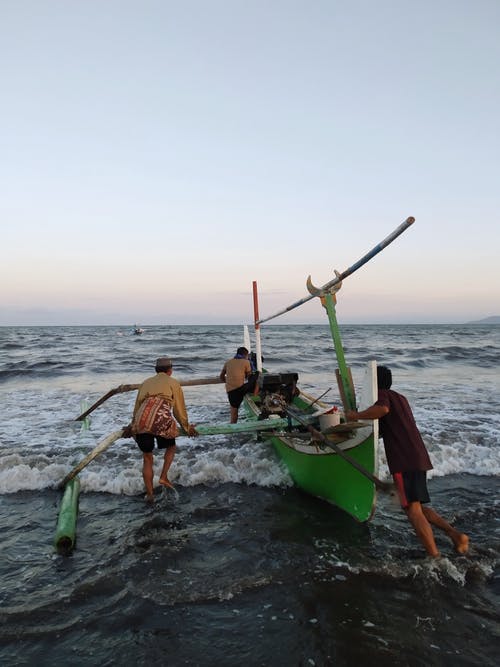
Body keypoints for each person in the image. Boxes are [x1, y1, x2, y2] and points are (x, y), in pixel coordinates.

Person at [346, 366, 469, 558]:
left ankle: (434, 557)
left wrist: (356, 416)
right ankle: (456, 535)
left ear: (374, 383)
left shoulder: (382, 395)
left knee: (412, 511)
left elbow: (382, 409)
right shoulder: (400, 397)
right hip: (417, 457)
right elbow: (389, 426)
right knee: (415, 506)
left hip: (404, 460)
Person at [127, 357, 198, 501]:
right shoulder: (173, 382)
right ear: (170, 370)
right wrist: (186, 426)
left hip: (142, 419)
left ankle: (150, 495)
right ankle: (164, 476)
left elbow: (137, 407)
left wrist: (132, 425)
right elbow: (179, 409)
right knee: (171, 447)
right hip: (160, 419)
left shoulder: (145, 383)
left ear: (156, 370)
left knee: (147, 458)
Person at [219, 346, 259, 423]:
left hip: (230, 390)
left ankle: (233, 428)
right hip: (241, 389)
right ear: (245, 355)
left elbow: (221, 376)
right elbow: (249, 376)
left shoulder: (228, 362)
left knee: (234, 412)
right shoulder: (246, 362)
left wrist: (228, 382)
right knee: (258, 375)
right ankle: (255, 396)